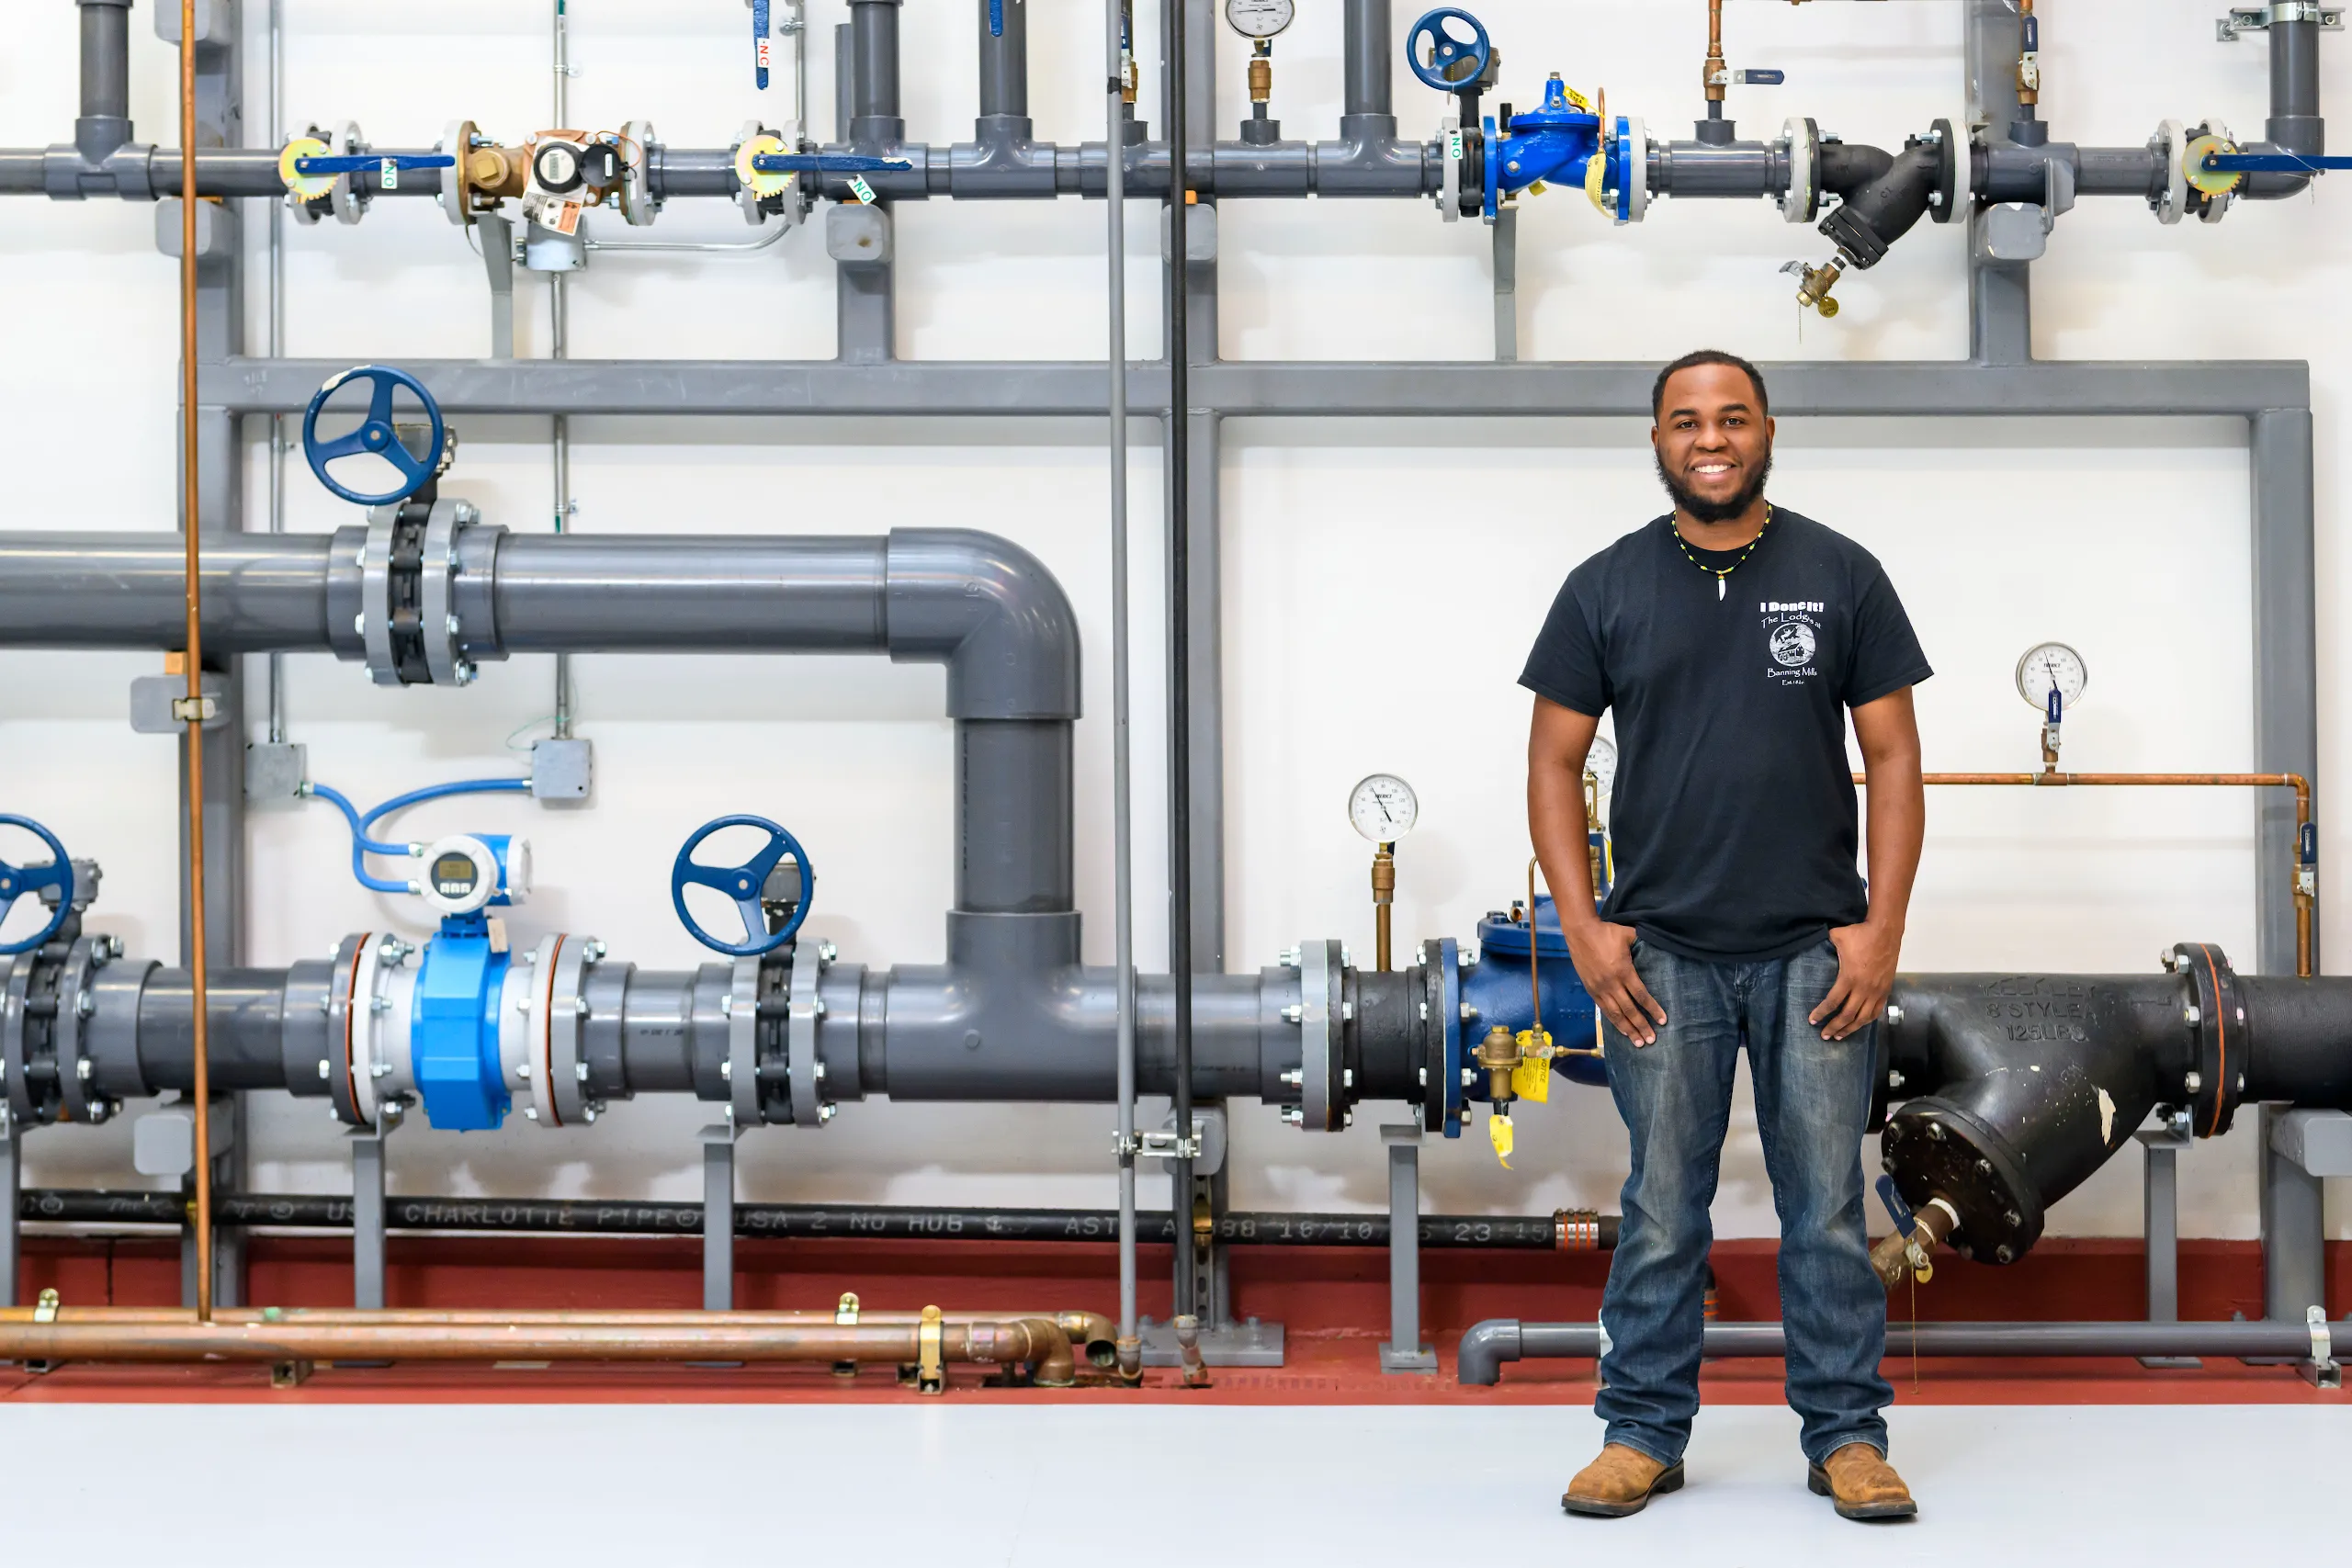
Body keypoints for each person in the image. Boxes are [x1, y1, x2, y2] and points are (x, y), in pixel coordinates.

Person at [1521, 350, 1931, 1524]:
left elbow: (1893, 758)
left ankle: (1847, 1436)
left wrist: (1878, 930)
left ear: (1765, 431)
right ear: (1655, 440)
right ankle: (1640, 1432)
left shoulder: (1840, 573)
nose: (1710, 438)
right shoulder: (1604, 587)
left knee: (1825, 1207)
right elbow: (1552, 764)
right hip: (1662, 959)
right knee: (1661, 1206)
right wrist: (1586, 929)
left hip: (1816, 953)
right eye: (1685, 421)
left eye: (1732, 418)